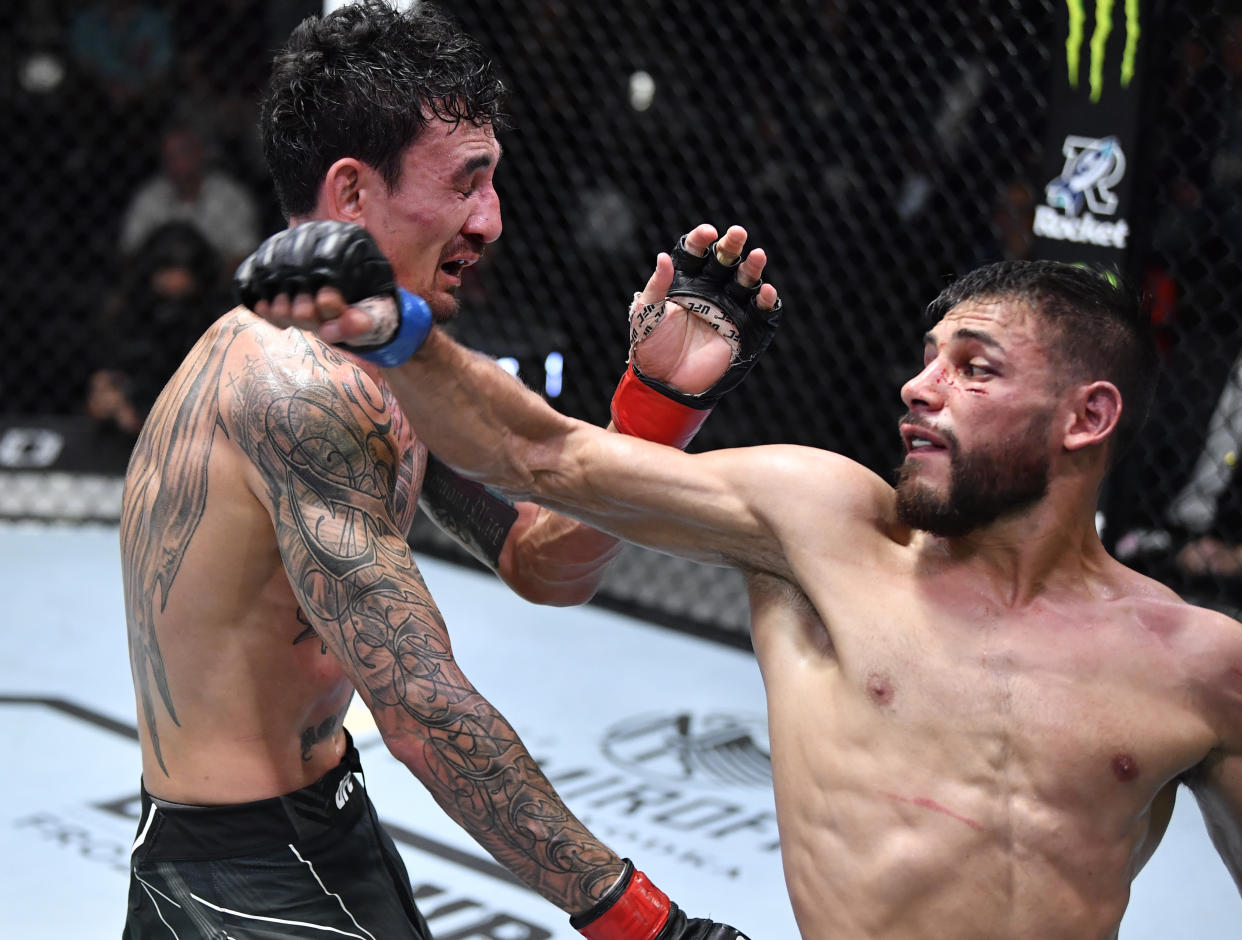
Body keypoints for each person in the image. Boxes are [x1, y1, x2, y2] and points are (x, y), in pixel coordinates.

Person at [242, 224, 1242, 939]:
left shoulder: (1198, 666)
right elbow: (543, 459)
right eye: (925, 359)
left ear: (1088, 416)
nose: (919, 386)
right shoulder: (826, 529)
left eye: (974, 369)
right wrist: (398, 331)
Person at [119, 3, 758, 938]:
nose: (491, 221)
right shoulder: (298, 383)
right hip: (243, 886)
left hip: (317, 829)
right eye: (467, 183)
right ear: (351, 194)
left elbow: (542, 563)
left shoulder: (374, 365)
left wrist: (656, 406)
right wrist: (648, 924)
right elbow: (420, 707)